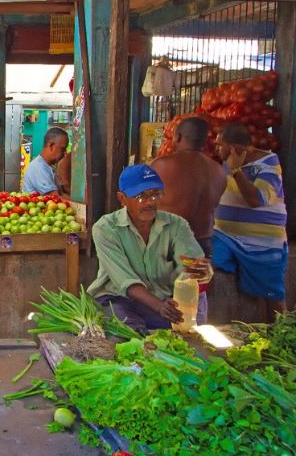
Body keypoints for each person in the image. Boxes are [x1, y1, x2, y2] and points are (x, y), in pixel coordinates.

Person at [88, 164, 212, 334]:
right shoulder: (106, 228)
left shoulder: (176, 225)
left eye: (155, 195)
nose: (149, 202)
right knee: (128, 332)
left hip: (164, 299)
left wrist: (200, 272)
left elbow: (190, 265)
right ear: (122, 198)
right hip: (119, 298)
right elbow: (125, 281)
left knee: (187, 332)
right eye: (141, 196)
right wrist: (159, 306)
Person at [212, 123, 288, 321]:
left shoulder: (269, 163)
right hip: (225, 236)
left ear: (236, 147)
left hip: (261, 243)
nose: (216, 148)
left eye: (221, 145)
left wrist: (237, 171)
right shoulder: (226, 164)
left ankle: (280, 334)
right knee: (203, 261)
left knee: (272, 296)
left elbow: (255, 200)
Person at [151, 117, 226, 257]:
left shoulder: (162, 165)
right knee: (196, 279)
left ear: (177, 136)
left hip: (168, 244)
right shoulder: (218, 171)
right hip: (202, 245)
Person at [22, 127, 69, 195]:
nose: (64, 153)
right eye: (63, 149)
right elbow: (56, 198)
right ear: (51, 146)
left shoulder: (49, 166)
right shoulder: (39, 168)